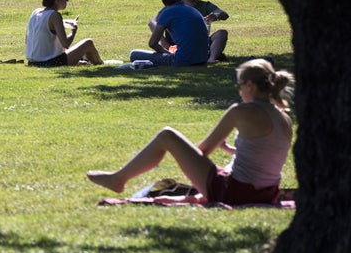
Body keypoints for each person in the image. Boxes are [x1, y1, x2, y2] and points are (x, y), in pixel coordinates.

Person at [87, 59, 294, 206]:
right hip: (267, 194)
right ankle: (119, 178)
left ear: (250, 85)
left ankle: (119, 179)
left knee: (167, 136)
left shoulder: (240, 111)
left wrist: (189, 160)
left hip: (235, 192)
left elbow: (203, 151)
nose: (239, 91)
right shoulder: (284, 118)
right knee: (207, 168)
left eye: (240, 86)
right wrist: (231, 150)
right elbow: (264, 156)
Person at [150, 0, 230, 64]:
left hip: (197, 44)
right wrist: (166, 46)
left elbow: (224, 14)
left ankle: (211, 58)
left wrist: (215, 15)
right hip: (179, 45)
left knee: (222, 33)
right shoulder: (171, 8)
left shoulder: (204, 6)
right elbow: (152, 22)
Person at [130, 0, 210, 66]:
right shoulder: (192, 10)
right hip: (202, 59)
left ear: (163, 0)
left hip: (182, 60)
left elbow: (152, 43)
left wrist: (166, 53)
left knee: (134, 54)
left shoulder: (168, 12)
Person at [25, 0, 103, 66]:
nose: (67, 1)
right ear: (57, 1)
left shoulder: (35, 12)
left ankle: (83, 62)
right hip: (49, 63)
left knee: (74, 51)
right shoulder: (55, 15)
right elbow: (66, 44)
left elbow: (28, 40)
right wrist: (73, 31)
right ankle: (100, 63)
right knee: (88, 43)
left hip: (32, 62)